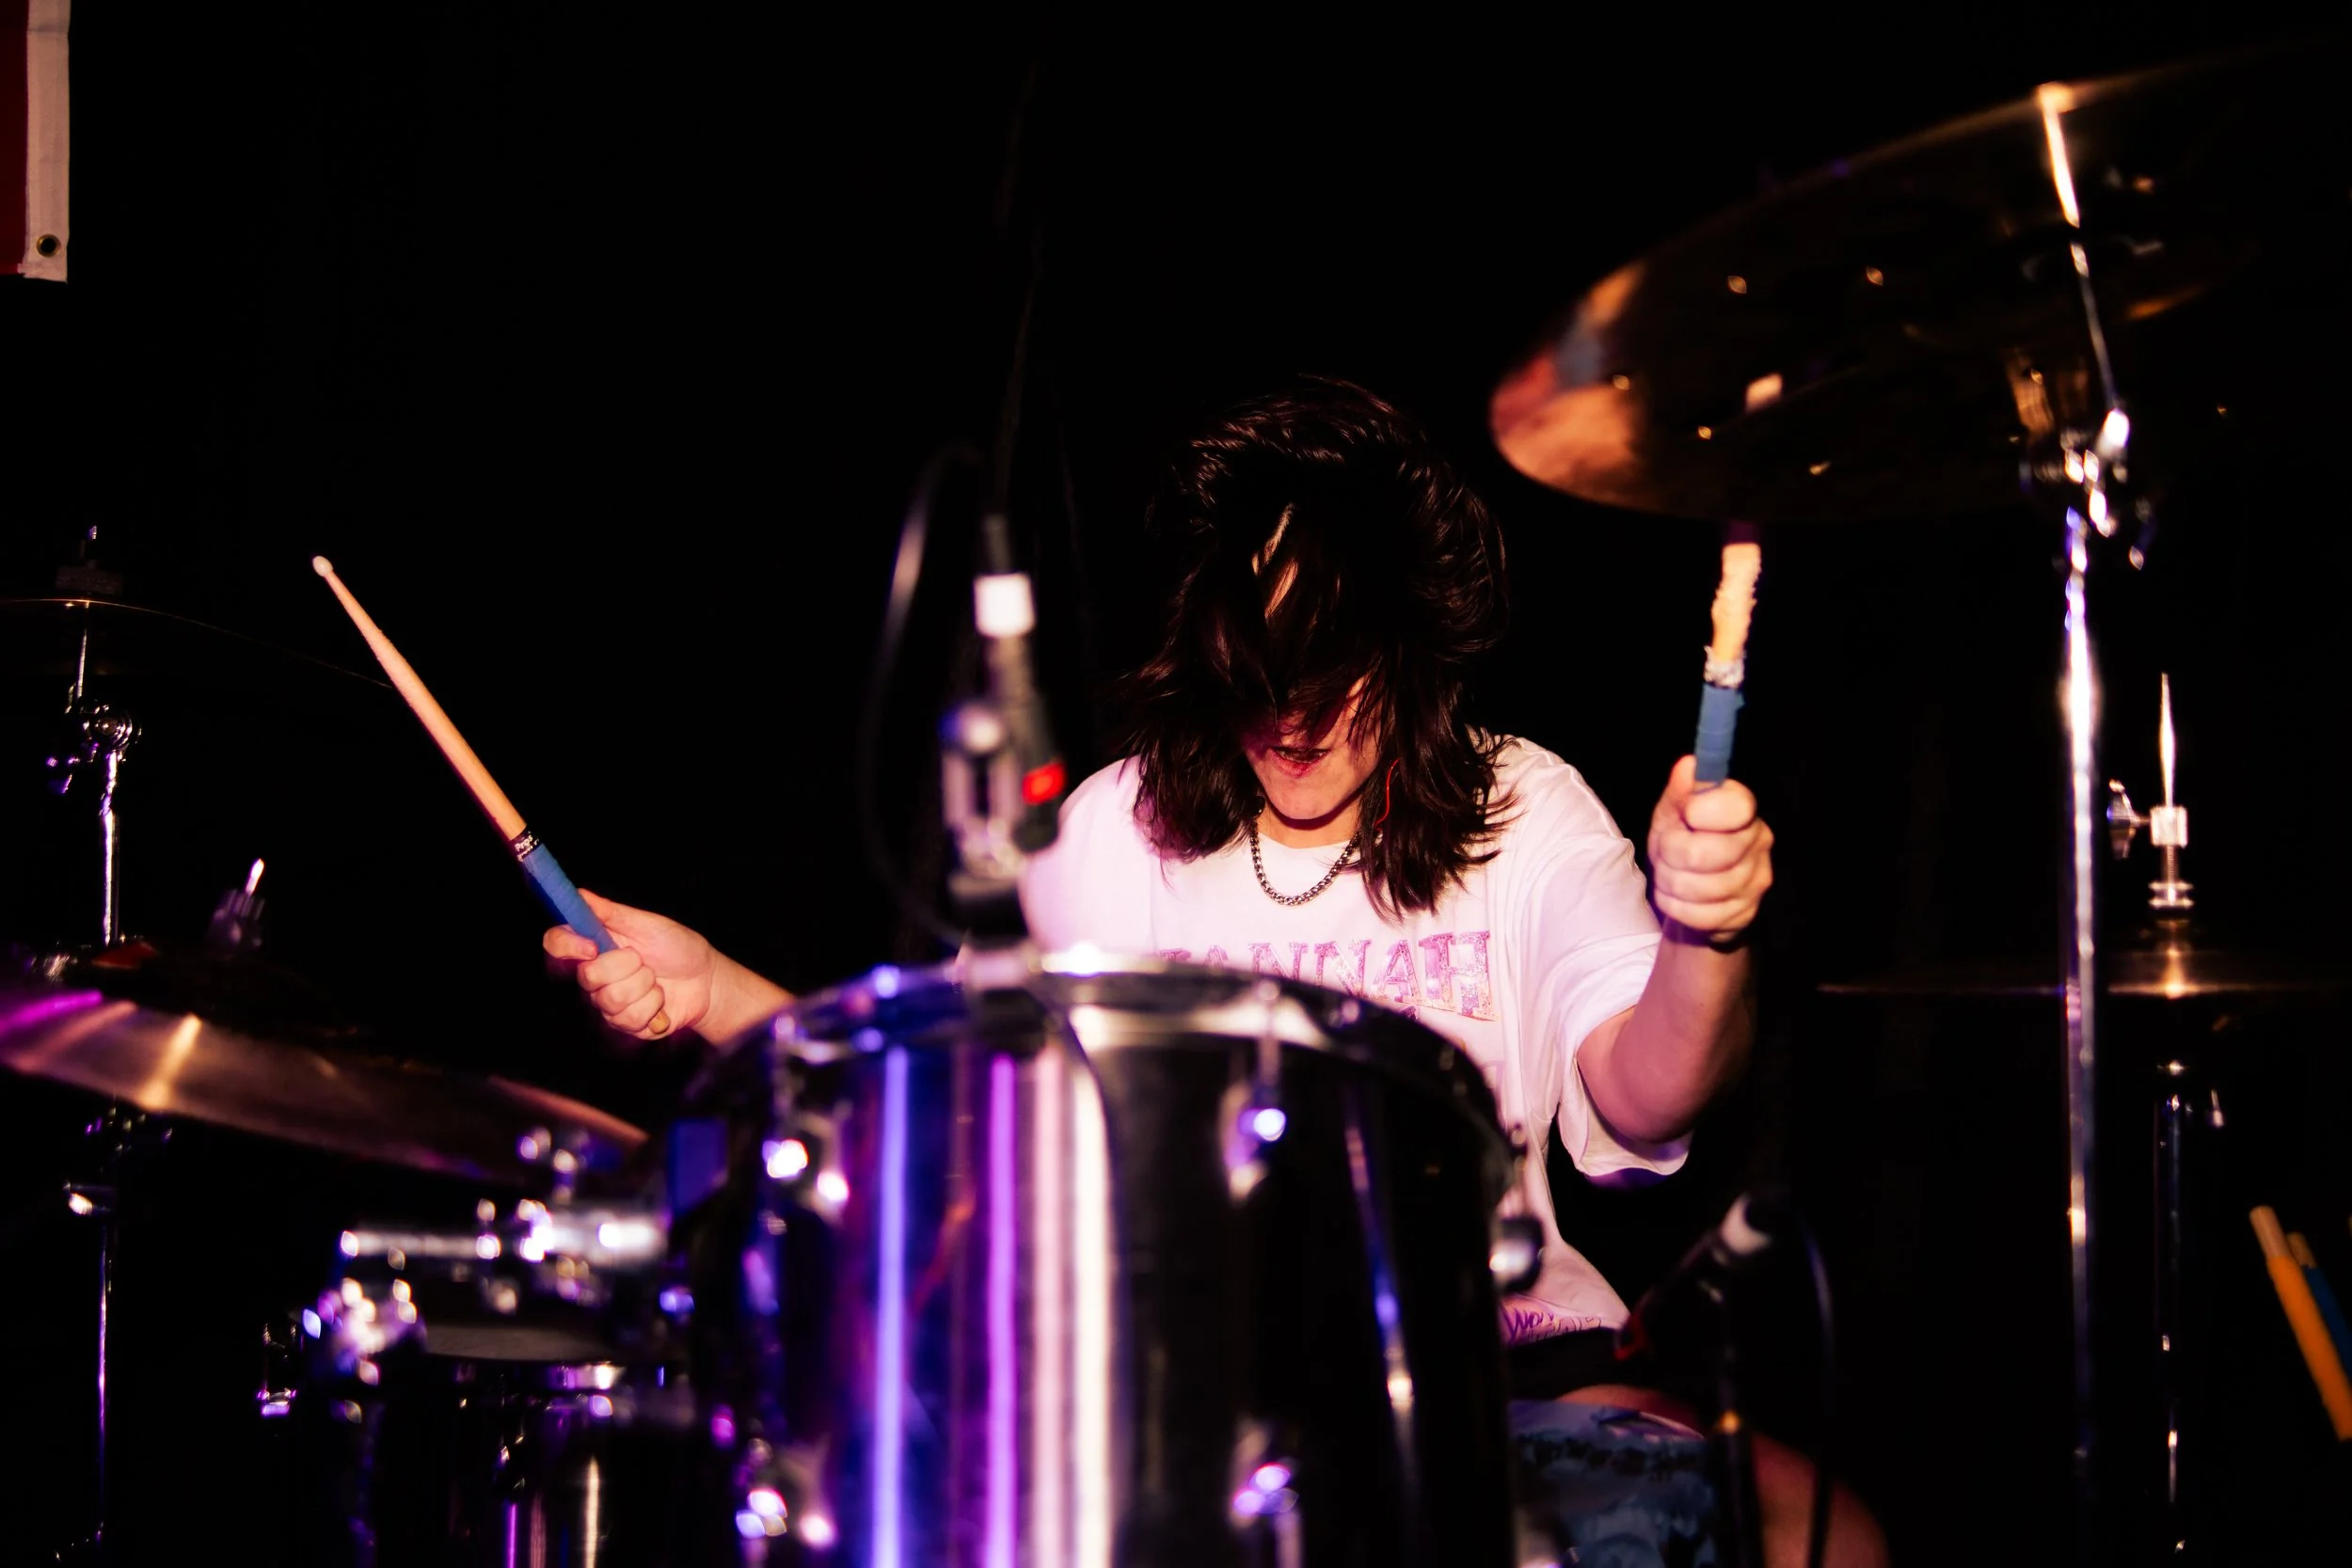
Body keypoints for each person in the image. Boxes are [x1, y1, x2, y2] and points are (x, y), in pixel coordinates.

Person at [545, 378, 1885, 1568]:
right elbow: (958, 1093)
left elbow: (1649, 1100)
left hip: (1500, 1376)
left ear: (1412, 646)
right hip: (1189, 1409)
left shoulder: (1521, 809)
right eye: (1260, 676)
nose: (1292, 722)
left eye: (1331, 672)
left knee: (1816, 1525)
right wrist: (719, 987)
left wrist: (1705, 930)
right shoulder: (1115, 830)